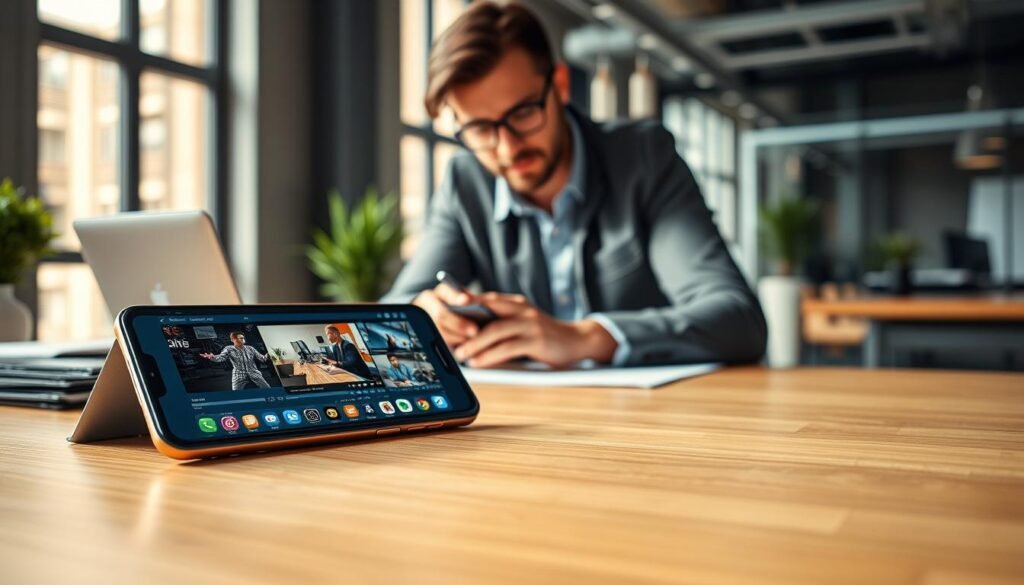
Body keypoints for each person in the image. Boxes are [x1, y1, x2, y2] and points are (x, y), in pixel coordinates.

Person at [381, 1, 767, 369]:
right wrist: (423, 313)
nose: (508, 147)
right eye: (480, 128)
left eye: (523, 112)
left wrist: (586, 337)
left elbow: (738, 319)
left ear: (561, 86)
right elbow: (394, 309)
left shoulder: (643, 159)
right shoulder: (464, 183)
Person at [200, 331, 272, 390]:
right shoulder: (229, 349)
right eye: (239, 338)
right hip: (238, 374)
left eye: (242, 338)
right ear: (232, 340)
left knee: (267, 388)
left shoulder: (250, 348)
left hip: (254, 372)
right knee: (236, 393)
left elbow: (263, 358)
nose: (242, 340)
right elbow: (221, 358)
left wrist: (270, 353)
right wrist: (212, 357)